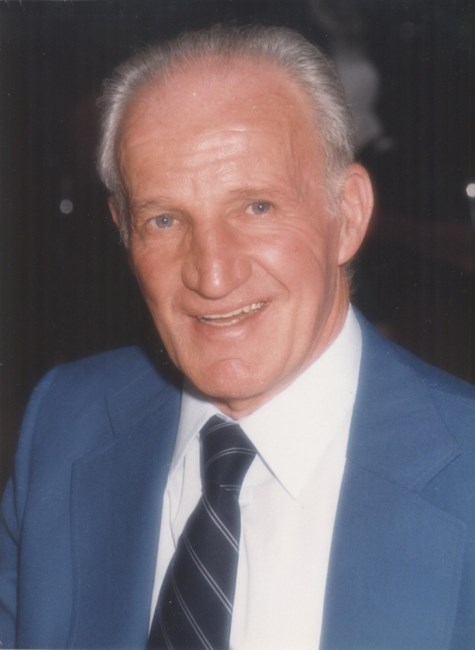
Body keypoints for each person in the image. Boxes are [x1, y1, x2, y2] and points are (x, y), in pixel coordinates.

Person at [1, 24, 474, 650]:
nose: (213, 275)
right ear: (123, 230)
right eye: (164, 220)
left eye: (256, 208)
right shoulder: (64, 423)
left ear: (348, 214)